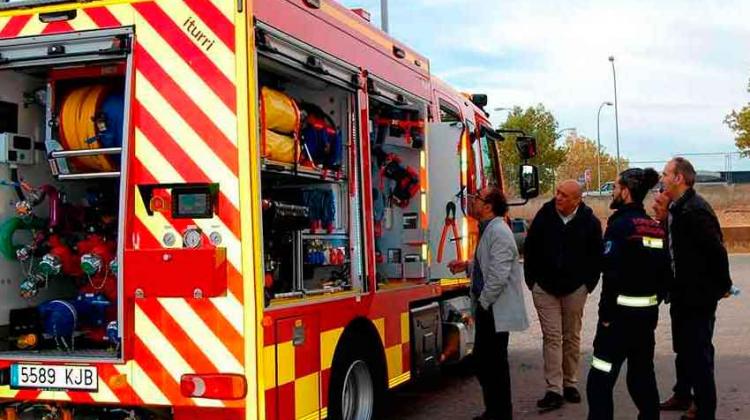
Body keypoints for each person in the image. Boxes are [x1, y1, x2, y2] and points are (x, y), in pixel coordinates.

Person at [586, 168, 670, 420]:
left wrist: (606, 316)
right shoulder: (654, 228)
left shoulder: (620, 226)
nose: (612, 192)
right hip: (646, 319)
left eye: (615, 187)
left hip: (618, 321)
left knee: (599, 380)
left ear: (626, 191)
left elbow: (611, 275)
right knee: (642, 376)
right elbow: (665, 272)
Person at [660, 157, 732, 420]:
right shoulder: (677, 208)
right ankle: (684, 396)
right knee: (685, 349)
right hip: (681, 294)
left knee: (699, 354)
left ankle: (704, 410)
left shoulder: (695, 210)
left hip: (698, 296)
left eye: (666, 174)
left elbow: (716, 251)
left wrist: (723, 285)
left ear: (679, 178)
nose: (662, 178)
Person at [448, 186, 529, 420]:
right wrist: (466, 265)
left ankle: (500, 413)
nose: (472, 201)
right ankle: (495, 411)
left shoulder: (499, 232)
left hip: (493, 309)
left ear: (488, 206)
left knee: (492, 365)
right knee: (488, 364)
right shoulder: (490, 229)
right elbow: (488, 266)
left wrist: (483, 304)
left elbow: (498, 276)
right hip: (490, 308)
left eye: (478, 198)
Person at [523, 180, 603, 410]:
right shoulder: (544, 216)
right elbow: (530, 248)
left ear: (577, 200)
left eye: (564, 195)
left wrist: (588, 284)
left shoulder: (590, 222)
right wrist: (532, 281)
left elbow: (596, 256)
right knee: (552, 336)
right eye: (557, 192)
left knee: (571, 336)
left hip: (575, 288)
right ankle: (554, 389)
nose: (558, 197)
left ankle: (570, 383)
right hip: (545, 288)